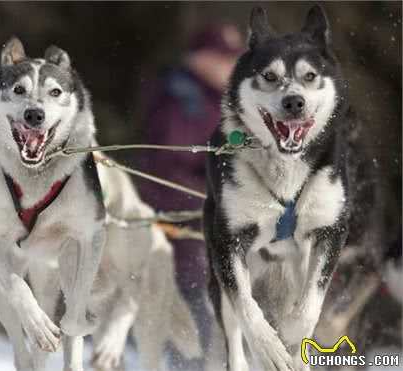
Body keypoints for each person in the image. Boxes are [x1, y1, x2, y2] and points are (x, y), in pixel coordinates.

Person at [135, 24, 243, 369]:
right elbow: (163, 169)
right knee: (195, 337)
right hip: (183, 241)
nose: (230, 67)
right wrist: (212, 200)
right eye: (222, 59)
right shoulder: (183, 101)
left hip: (213, 238)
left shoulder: (219, 100)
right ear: (199, 59)